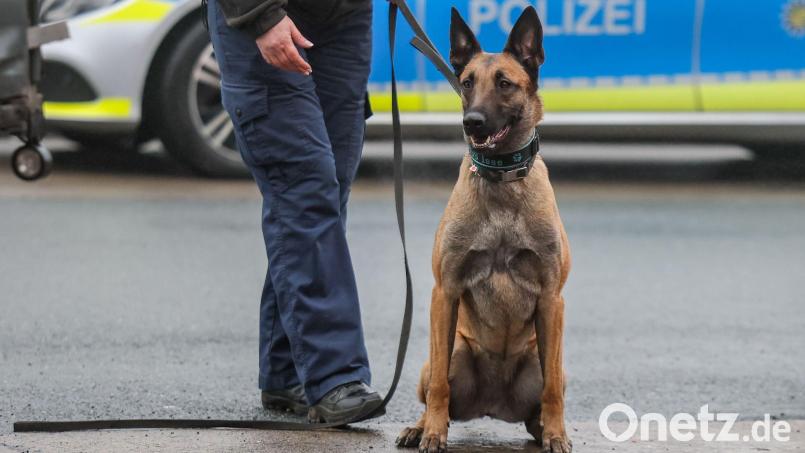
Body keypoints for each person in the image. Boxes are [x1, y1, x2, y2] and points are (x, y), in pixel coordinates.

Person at [206, 0, 382, 424]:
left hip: (345, 19)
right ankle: (333, 376)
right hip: (263, 15)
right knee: (305, 187)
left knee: (329, 191)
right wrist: (259, 16)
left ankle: (286, 371)